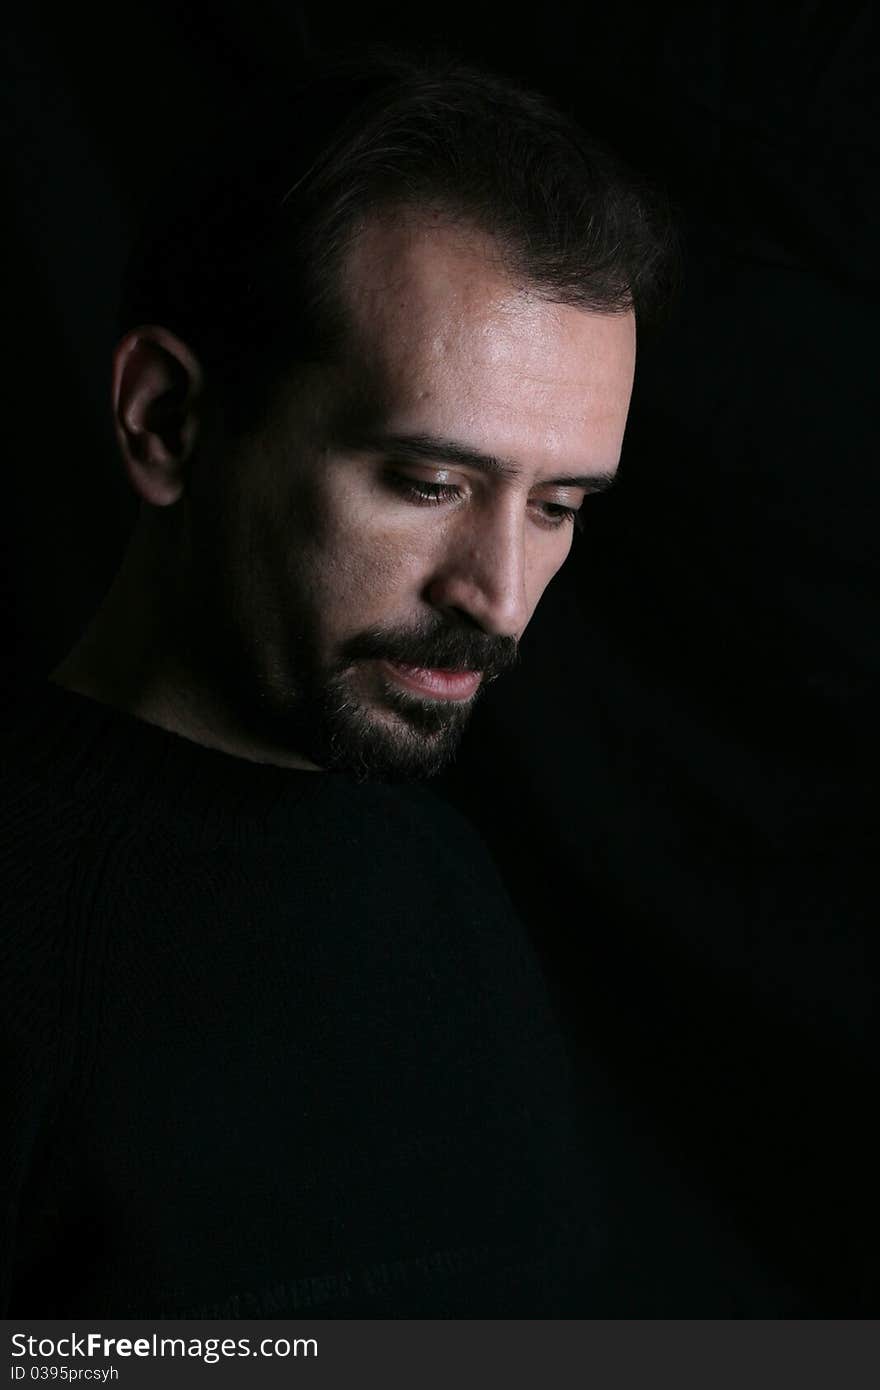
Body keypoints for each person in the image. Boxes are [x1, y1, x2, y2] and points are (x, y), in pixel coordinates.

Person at [0, 54, 669, 1316]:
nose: (502, 597)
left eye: (563, 505)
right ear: (167, 421)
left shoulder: (440, 881)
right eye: (428, 483)